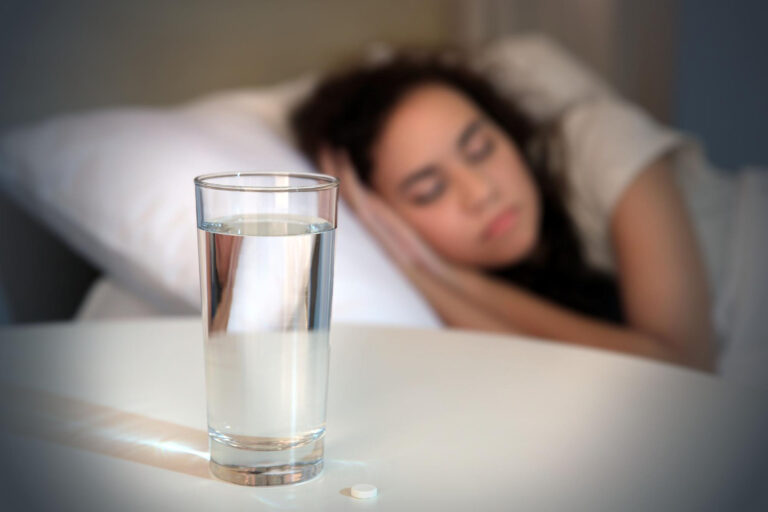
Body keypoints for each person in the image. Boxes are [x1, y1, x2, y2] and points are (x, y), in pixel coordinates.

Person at [291, 54, 714, 371]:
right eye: (431, 190)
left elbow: (685, 370)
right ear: (386, 219)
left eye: (481, 149)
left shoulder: (601, 143)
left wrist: (446, 281)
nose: (481, 191)